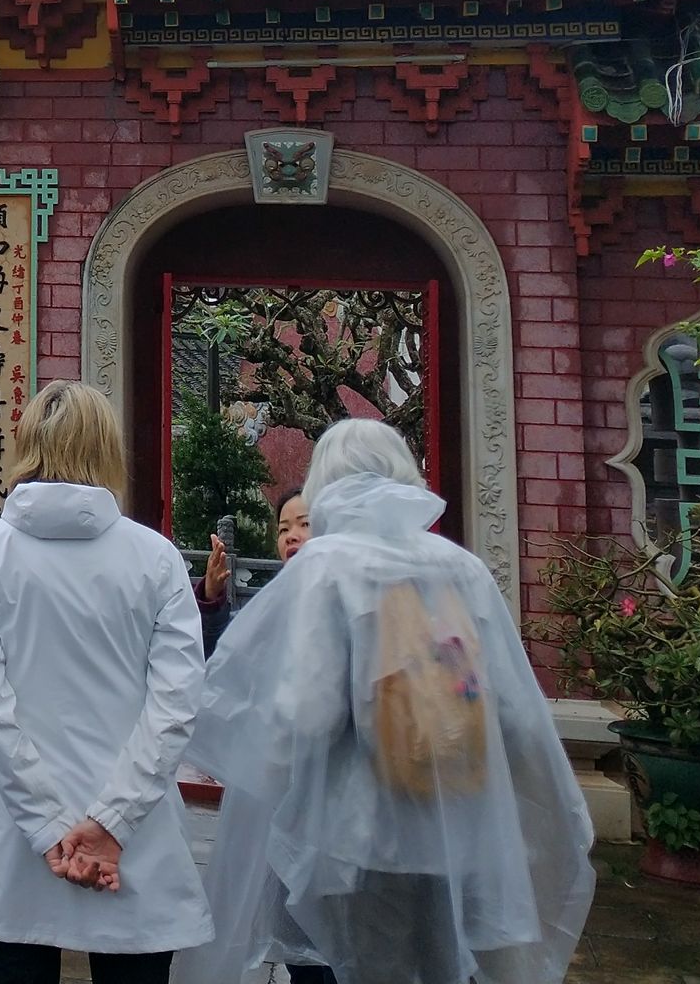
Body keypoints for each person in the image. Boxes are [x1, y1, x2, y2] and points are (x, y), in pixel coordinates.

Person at [180, 421, 594, 984]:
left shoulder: (327, 567)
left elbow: (309, 714)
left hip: (357, 836)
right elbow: (516, 714)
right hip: (456, 827)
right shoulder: (461, 568)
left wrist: (253, 763)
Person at [0, 381, 212, 984]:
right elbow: (175, 705)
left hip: (18, 832)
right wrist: (112, 823)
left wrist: (47, 826)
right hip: (135, 833)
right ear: (108, 448)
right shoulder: (155, 558)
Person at [196, 487, 311, 653]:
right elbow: (221, 651)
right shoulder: (269, 607)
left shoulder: (343, 596)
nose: (290, 537)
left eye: (305, 524)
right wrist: (211, 595)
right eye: (284, 529)